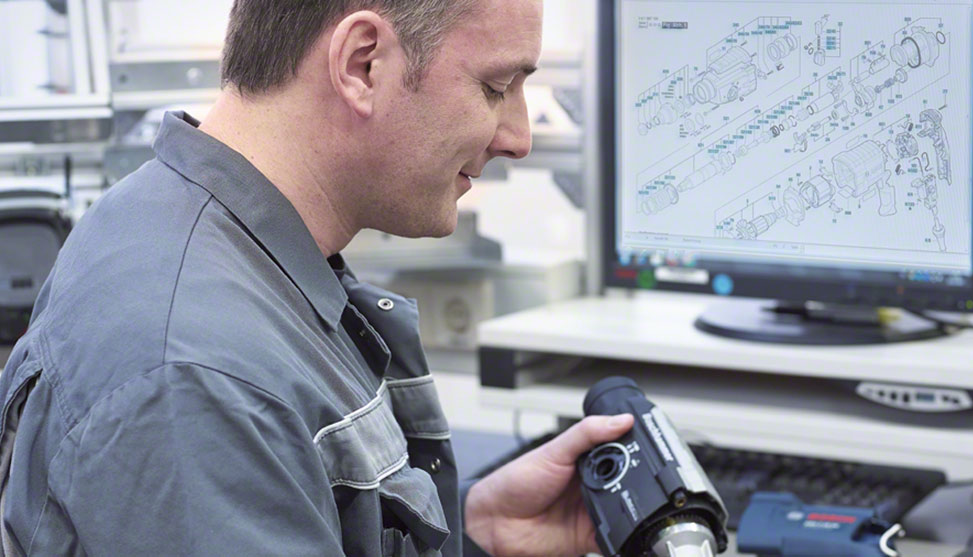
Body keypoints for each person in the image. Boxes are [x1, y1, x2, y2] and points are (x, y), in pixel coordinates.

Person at [0, 0, 633, 555]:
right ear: (363, 64)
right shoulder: (198, 382)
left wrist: (474, 530)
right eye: (495, 88)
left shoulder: (192, 231)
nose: (519, 138)